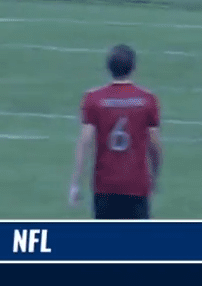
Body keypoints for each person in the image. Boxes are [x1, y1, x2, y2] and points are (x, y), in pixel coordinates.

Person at [69, 44, 162, 219]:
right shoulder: (147, 99)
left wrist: (76, 182)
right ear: (134, 68)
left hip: (105, 185)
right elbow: (155, 144)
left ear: (108, 68)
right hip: (137, 185)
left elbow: (85, 142)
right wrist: (155, 175)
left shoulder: (93, 98)